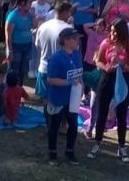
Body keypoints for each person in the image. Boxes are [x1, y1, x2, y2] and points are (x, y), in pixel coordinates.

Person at [87, 18, 129, 163]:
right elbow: (98, 61)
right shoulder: (106, 43)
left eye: (116, 32)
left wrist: (121, 64)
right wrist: (107, 67)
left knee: (121, 114)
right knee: (102, 112)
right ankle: (97, 143)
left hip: (122, 81)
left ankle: (121, 146)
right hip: (107, 79)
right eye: (112, 31)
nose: (113, 35)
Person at [46, 27, 84, 166]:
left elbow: (80, 74)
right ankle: (52, 154)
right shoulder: (56, 57)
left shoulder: (77, 54)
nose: (77, 40)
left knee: (73, 126)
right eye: (74, 38)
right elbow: (50, 79)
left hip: (72, 99)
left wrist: (81, 90)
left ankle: (70, 152)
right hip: (58, 98)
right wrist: (67, 82)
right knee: (54, 126)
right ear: (65, 41)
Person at [34, 0, 73, 120]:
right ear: (65, 12)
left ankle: (48, 123)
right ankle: (60, 125)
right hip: (60, 71)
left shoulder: (43, 26)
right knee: (60, 100)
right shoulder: (67, 29)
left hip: (44, 67)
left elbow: (38, 46)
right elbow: (72, 50)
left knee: (46, 99)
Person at [5, 0, 34, 86]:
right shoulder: (13, 16)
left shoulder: (29, 15)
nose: (31, 4)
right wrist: (9, 50)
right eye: (29, 2)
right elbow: (8, 34)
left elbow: (33, 26)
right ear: (22, 3)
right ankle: (8, 90)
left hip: (27, 45)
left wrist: (33, 16)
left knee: (23, 71)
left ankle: (19, 89)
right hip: (16, 46)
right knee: (13, 69)